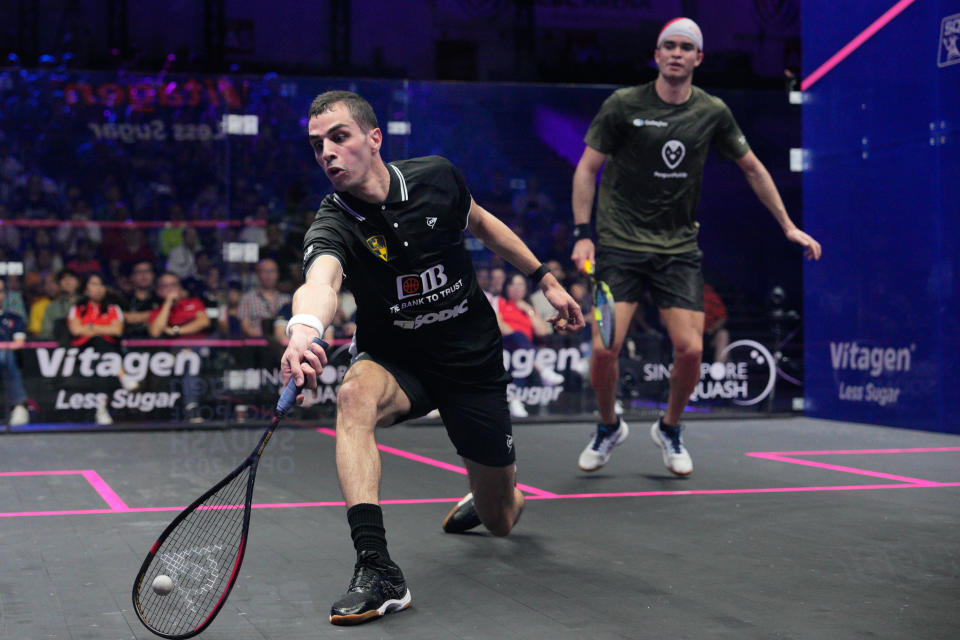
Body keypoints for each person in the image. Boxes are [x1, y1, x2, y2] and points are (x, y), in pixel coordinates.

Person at [280, 91, 584, 625]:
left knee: (501, 521)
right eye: (316, 145)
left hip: (472, 363)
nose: (326, 152)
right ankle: (377, 569)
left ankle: (494, 494)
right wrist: (304, 330)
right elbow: (320, 281)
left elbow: (485, 225)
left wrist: (546, 282)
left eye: (338, 137)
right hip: (397, 360)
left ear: (374, 139)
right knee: (352, 396)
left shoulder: (436, 178)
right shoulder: (333, 221)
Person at [571, 17, 822, 476]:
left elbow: (753, 168)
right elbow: (587, 169)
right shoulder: (623, 105)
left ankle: (669, 428)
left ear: (698, 58)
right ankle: (609, 426)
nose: (676, 53)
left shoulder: (712, 112)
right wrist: (582, 233)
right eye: (668, 46)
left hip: (678, 249)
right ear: (657, 54)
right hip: (620, 246)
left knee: (690, 350)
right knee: (606, 348)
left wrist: (787, 225)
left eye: (686, 47)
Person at [496, 272, 565, 418]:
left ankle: (515, 400)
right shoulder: (500, 302)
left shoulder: (529, 308)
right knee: (518, 340)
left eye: (520, 285)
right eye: (513, 284)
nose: (517, 288)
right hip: (504, 345)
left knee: (520, 357)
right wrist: (518, 338)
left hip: (524, 352)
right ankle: (542, 369)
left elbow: (542, 331)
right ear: (506, 287)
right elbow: (500, 325)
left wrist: (528, 310)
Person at [67, 274, 125, 425]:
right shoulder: (78, 308)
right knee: (99, 341)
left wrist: (91, 327)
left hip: (108, 352)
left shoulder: (113, 308)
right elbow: (76, 330)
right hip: (83, 352)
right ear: (86, 289)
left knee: (102, 350)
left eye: (101, 285)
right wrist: (104, 328)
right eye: (94, 284)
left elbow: (117, 331)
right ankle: (123, 374)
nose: (99, 289)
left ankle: (101, 409)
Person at [0, 278, 31, 426]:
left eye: (0, 291)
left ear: (5, 295)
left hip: (6, 358)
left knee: (5, 356)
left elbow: (18, 343)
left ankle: (19, 406)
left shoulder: (14, 318)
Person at [238, 258, 292, 337]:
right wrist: (265, 340)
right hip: (256, 345)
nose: (268, 275)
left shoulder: (286, 299)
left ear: (278, 274)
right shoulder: (247, 298)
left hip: (282, 344)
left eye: (272, 271)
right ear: (258, 274)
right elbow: (245, 327)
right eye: (264, 271)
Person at [123, 260, 161, 337]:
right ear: (132, 277)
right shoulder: (123, 298)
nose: (144, 275)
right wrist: (155, 314)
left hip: (156, 344)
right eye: (139, 272)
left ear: (153, 275)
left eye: (147, 271)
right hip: (129, 344)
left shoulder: (160, 299)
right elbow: (126, 318)